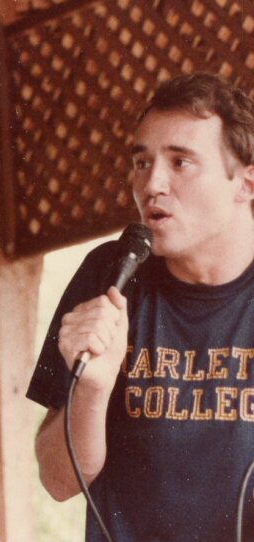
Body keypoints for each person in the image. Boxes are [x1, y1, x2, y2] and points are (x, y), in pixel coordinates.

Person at [28, 72, 254, 540]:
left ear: (246, 184)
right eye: (141, 162)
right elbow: (56, 480)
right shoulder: (111, 274)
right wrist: (91, 390)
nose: (152, 183)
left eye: (181, 162)